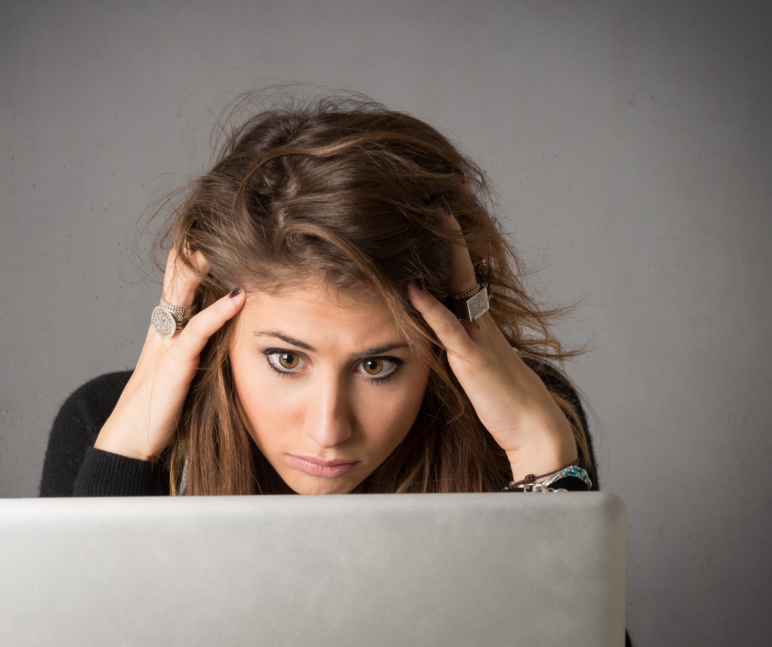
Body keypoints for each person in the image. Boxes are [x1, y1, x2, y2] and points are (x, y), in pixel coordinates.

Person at [40, 90, 602, 499]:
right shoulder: (104, 422)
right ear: (217, 329)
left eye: (378, 365)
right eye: (286, 359)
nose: (329, 430)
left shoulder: (526, 412)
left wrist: (540, 454)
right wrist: (125, 457)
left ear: (442, 342)